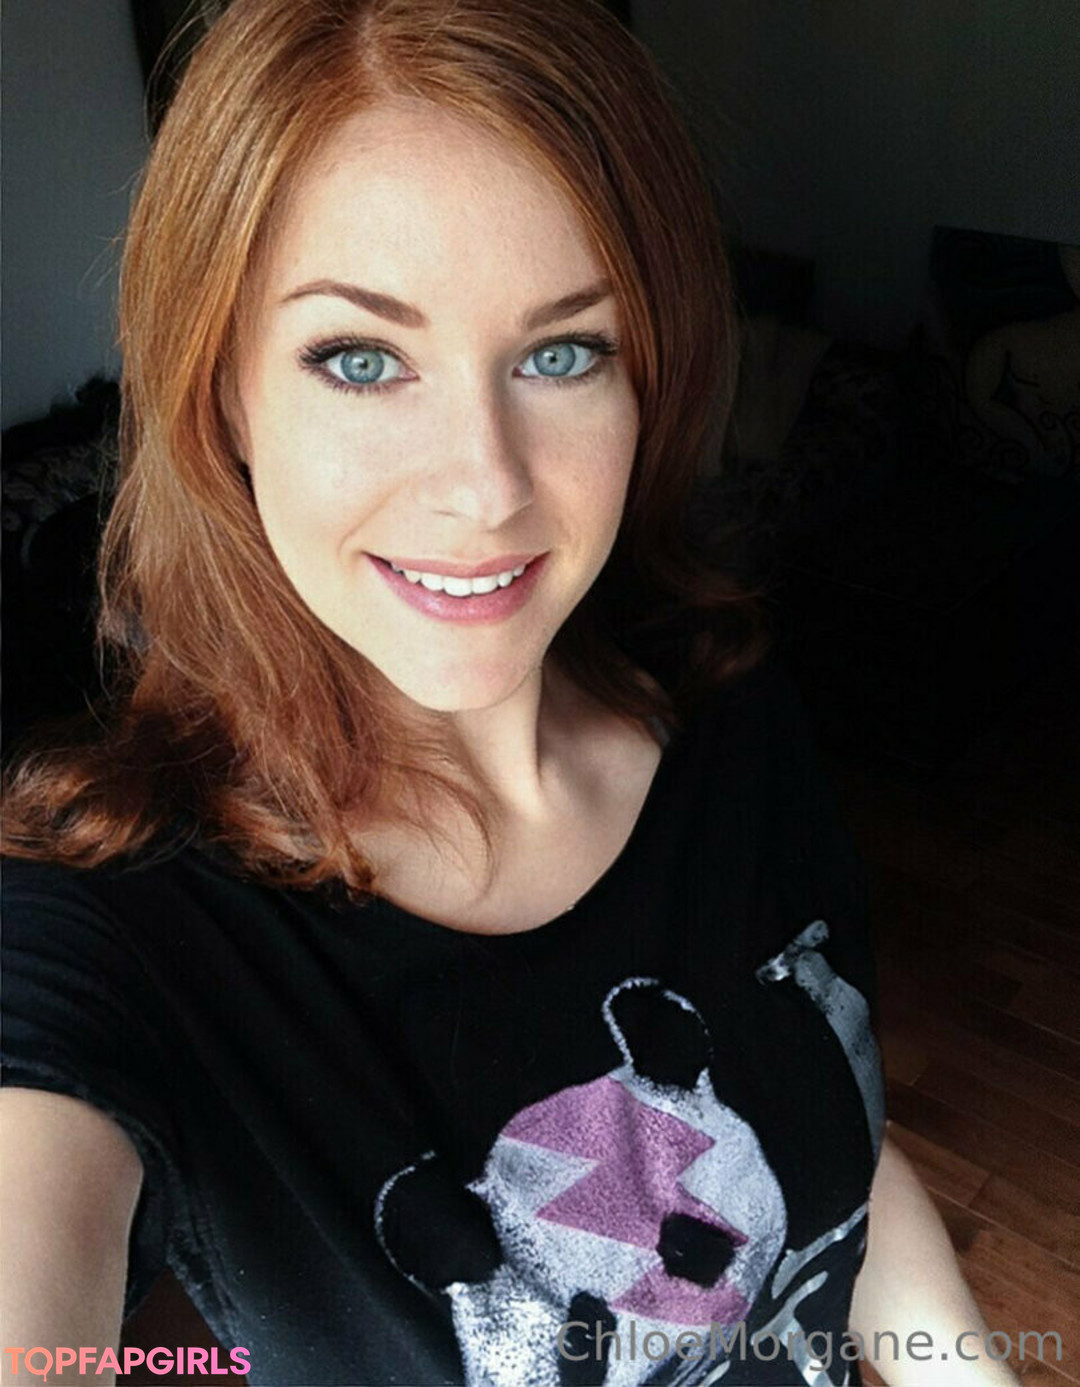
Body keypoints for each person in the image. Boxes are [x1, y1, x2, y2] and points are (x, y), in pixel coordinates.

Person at [1, 2, 1018, 1384]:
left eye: (563, 351)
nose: (486, 487)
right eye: (361, 359)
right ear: (225, 391)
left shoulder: (732, 713)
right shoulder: (118, 939)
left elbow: (833, 1138)